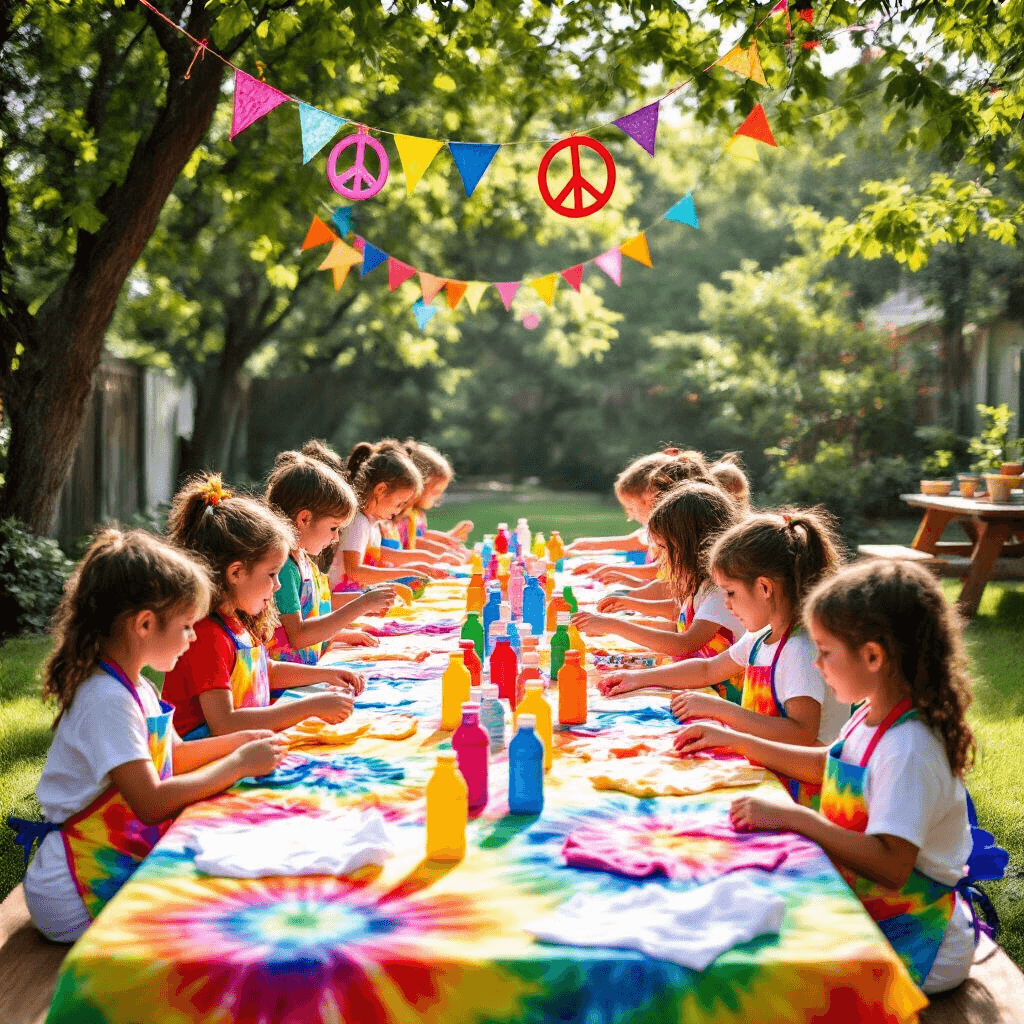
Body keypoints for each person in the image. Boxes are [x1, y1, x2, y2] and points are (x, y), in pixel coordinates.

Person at [674, 559, 979, 995]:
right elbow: (826, 766)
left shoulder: (909, 747)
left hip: (916, 942)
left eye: (825, 651)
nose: (816, 664)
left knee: (749, 977)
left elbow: (891, 865)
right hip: (867, 906)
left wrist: (798, 820)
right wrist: (733, 740)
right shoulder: (873, 714)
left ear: (873, 656)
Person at [13, 529, 288, 942]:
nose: (193, 638)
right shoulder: (106, 699)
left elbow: (171, 757)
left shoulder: (136, 685)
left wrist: (244, 740)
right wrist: (236, 765)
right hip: (76, 892)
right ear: (144, 623)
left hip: (116, 860)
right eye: (185, 626)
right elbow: (151, 802)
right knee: (227, 914)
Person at [599, 509, 850, 804]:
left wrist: (723, 712)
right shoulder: (760, 638)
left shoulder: (799, 649)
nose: (726, 605)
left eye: (730, 593)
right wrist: (638, 678)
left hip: (803, 796)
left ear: (765, 587)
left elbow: (801, 734)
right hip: (773, 777)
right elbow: (706, 670)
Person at [163, 474, 363, 738]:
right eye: (271, 575)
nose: (278, 585)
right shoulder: (207, 636)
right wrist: (308, 707)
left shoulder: (240, 621)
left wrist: (328, 674)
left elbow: (268, 671)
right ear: (235, 573)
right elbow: (224, 724)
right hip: (208, 762)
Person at [573, 482, 746, 701]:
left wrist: (614, 625)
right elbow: (677, 624)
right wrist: (615, 625)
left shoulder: (719, 592)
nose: (658, 557)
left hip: (719, 702)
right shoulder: (700, 585)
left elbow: (684, 643)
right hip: (695, 691)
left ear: (692, 546)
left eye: (663, 548)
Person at [263, 450, 397, 664]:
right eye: (334, 527)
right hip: (286, 688)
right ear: (304, 519)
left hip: (309, 670)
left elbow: (314, 616)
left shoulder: (304, 560)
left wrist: (341, 634)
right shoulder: (284, 568)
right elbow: (298, 636)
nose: (336, 538)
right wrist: (361, 605)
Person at [569, 449, 714, 590]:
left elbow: (665, 575)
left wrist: (618, 574)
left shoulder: (679, 534)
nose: (630, 516)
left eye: (631, 508)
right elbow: (635, 541)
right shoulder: (660, 528)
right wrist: (587, 545)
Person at [328, 439, 445, 593]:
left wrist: (412, 568)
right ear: (381, 490)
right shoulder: (358, 522)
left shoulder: (372, 523)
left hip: (355, 597)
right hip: (342, 599)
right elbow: (355, 572)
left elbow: (380, 561)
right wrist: (407, 572)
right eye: (399, 504)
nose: (398, 512)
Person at [399, 439, 473, 552]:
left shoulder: (418, 515)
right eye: (435, 492)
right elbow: (411, 543)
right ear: (418, 486)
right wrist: (445, 547)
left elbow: (423, 537)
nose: (438, 497)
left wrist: (450, 537)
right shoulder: (400, 517)